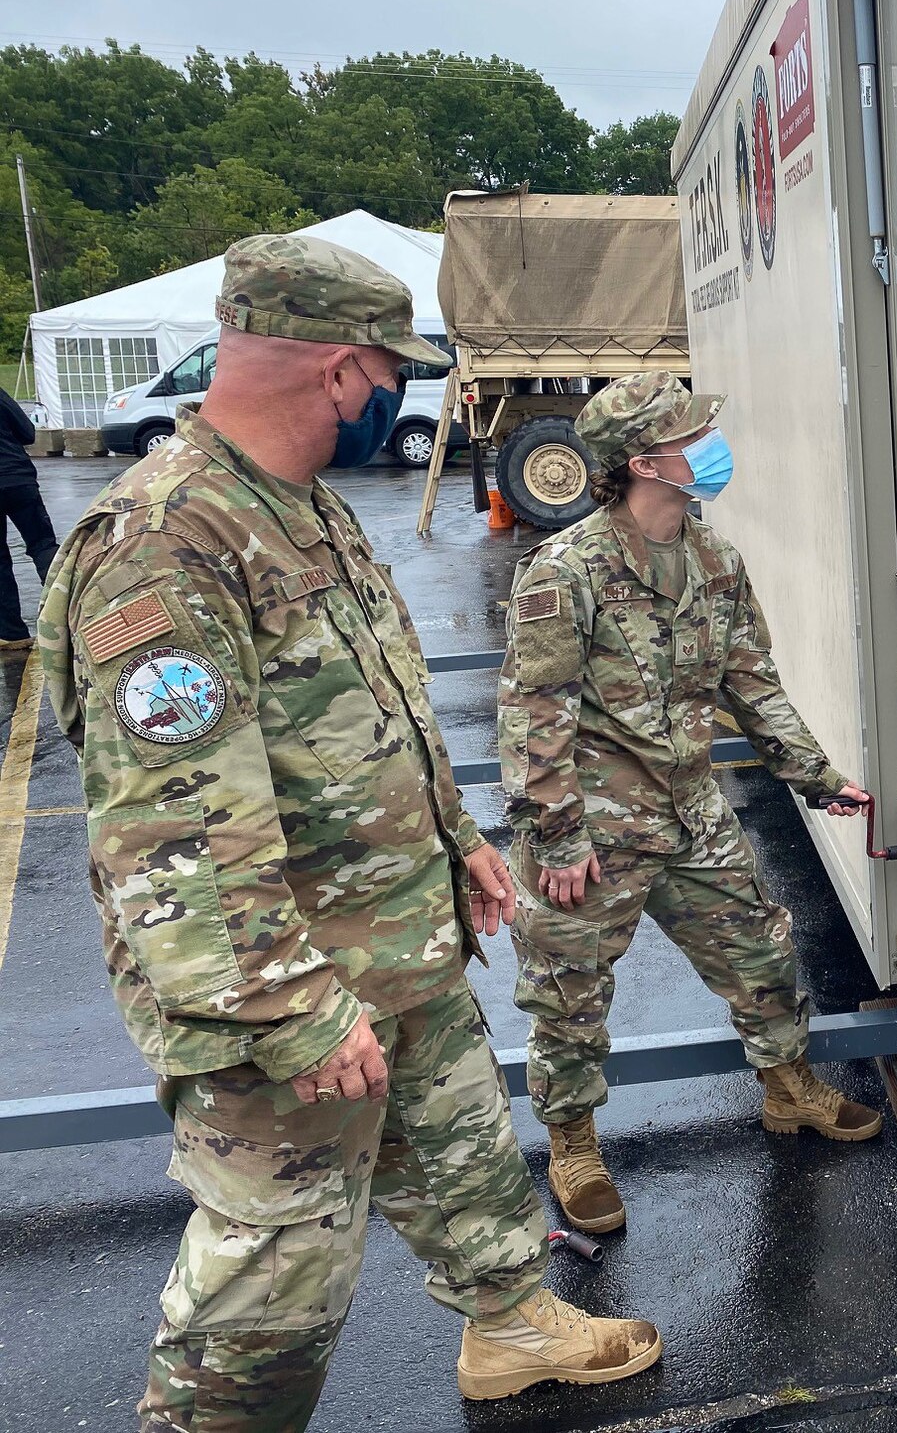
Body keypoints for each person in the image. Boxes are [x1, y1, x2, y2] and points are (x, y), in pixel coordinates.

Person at [38, 234, 660, 1431]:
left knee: (466, 1149)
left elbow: (372, 702)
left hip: (398, 935)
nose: (393, 400)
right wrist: (287, 1006)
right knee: (277, 1275)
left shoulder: (301, 506)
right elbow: (177, 828)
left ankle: (513, 1323)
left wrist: (457, 839)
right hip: (289, 988)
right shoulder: (169, 543)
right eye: (388, 376)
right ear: (337, 372)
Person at [499, 370, 881, 1234]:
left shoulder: (715, 560)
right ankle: (573, 1143)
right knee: (568, 990)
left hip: (690, 810)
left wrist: (817, 775)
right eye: (691, 437)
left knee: (761, 951)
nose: (710, 449)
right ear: (645, 461)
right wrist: (557, 838)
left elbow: (754, 683)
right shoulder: (568, 572)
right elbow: (533, 717)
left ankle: (788, 1088)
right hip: (593, 827)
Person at [0, 383, 58, 649]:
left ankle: (12, 634)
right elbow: (28, 433)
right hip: (18, 479)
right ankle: (67, 616)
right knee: (43, 544)